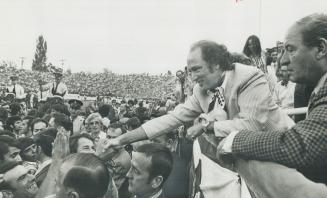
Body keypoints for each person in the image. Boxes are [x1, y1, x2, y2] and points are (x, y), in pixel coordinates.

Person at [105, 40, 293, 155]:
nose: (192, 77)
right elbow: (171, 119)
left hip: (283, 150)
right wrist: (121, 140)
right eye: (190, 71)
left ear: (217, 64)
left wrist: (206, 126)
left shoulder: (249, 77)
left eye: (197, 69)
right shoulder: (199, 90)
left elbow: (252, 125)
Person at [217, 13, 327, 184]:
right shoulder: (312, 87)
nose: (282, 60)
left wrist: (234, 140)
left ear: (321, 48)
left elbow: (300, 146)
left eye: (290, 49)